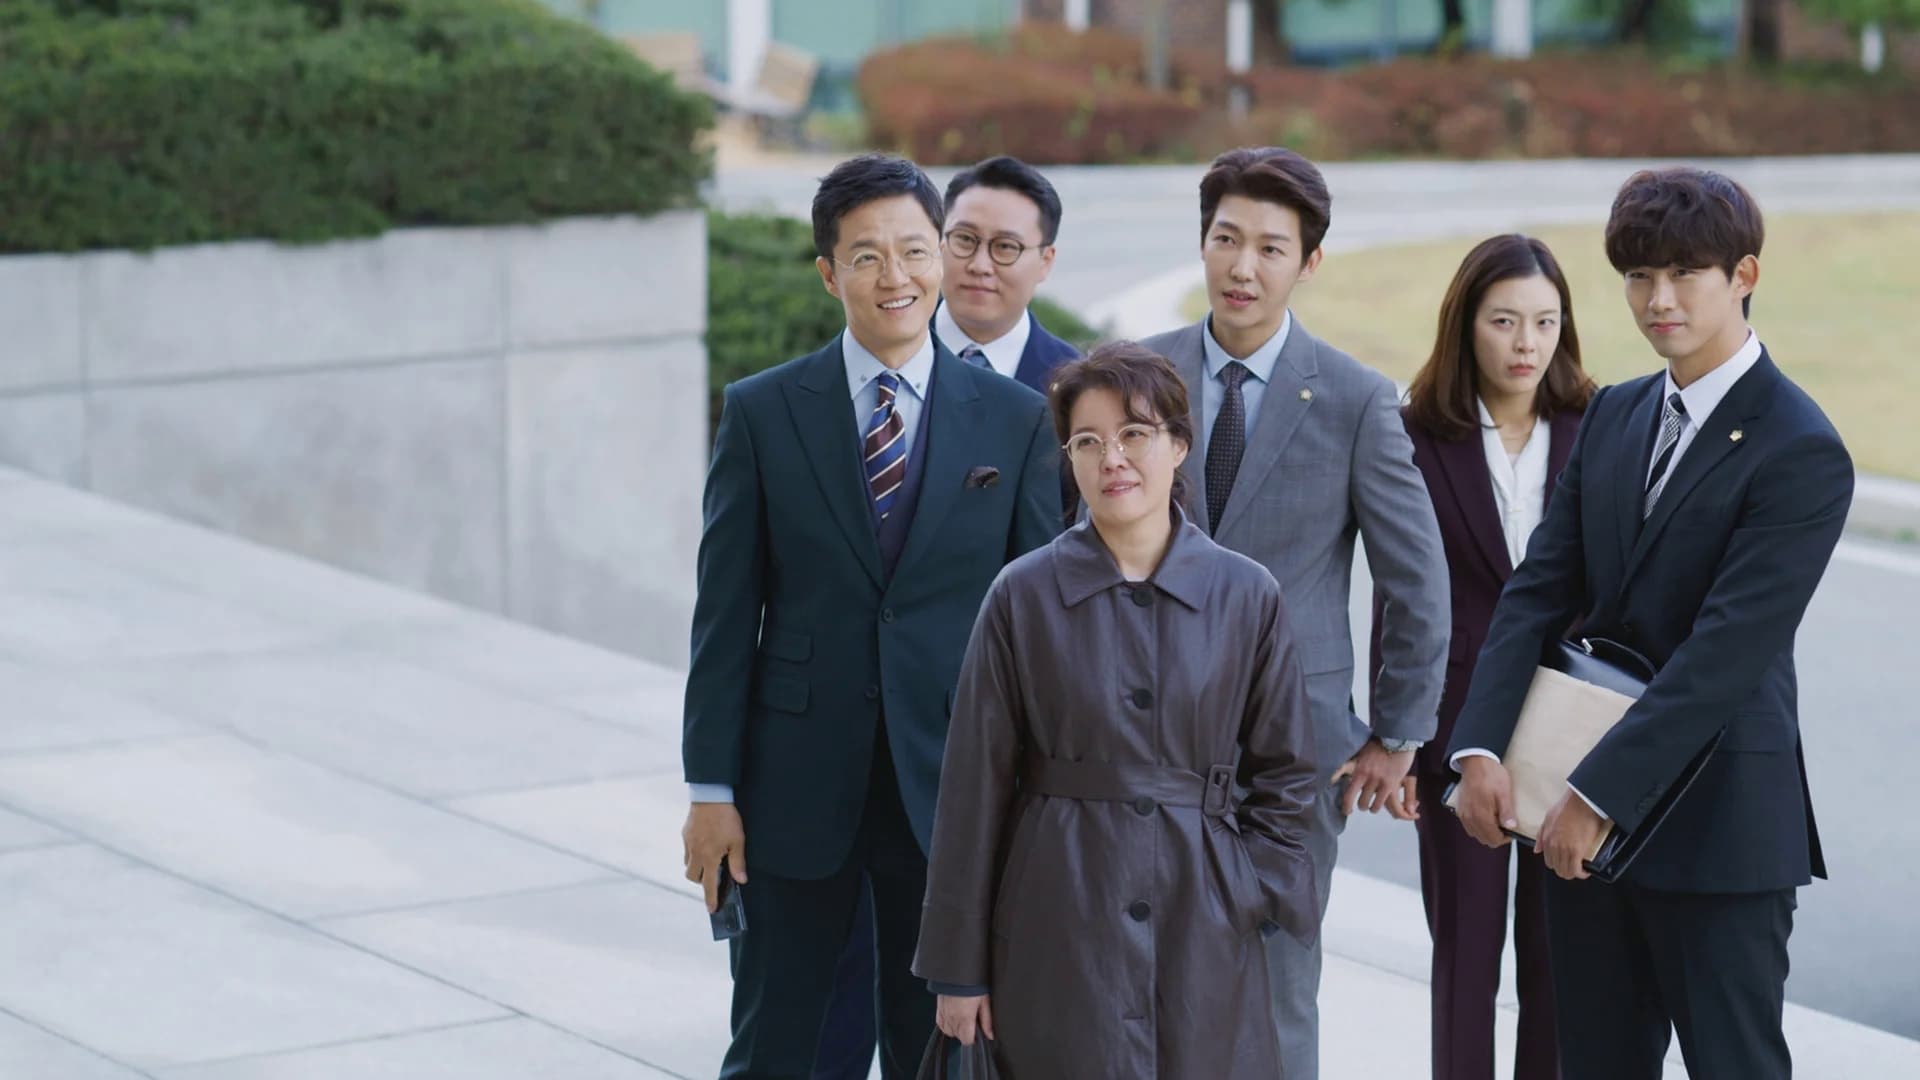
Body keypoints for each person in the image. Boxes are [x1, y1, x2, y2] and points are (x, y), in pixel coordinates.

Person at [1448, 168, 1852, 1080]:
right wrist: (1480, 744)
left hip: (1717, 837)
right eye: (1638, 276)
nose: (1657, 300)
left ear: (1744, 275)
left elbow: (1724, 657)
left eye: (1683, 274)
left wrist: (1597, 798)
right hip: (1574, 830)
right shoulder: (1616, 411)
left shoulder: (1802, 447)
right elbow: (1538, 589)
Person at [679, 152, 1063, 1080]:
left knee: (941, 1051)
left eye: (915, 251)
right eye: (866, 257)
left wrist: (1036, 797)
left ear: (939, 255)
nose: (897, 277)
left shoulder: (1016, 419)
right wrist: (710, 791)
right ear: (828, 272)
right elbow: (724, 619)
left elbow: (1036, 633)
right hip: (792, 790)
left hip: (952, 789)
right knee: (778, 1045)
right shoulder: (764, 412)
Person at [913, 341, 1320, 1078]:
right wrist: (958, 970)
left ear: (1179, 445)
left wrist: (1248, 886)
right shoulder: (1022, 595)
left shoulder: (1245, 594)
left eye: (1134, 433)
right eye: (1088, 442)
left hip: (1204, 914)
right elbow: (972, 788)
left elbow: (1287, 773)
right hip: (1054, 913)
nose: (1113, 459)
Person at [1139, 146, 1449, 1077]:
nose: (1243, 267)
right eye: (1226, 239)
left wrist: (1397, 735)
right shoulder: (1137, 377)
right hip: (1140, 735)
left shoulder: (1356, 399)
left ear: (1308, 262)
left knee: (1275, 989)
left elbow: (1416, 580)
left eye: (1271, 248)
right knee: (1138, 981)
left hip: (1293, 751)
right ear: (1202, 242)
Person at [813, 154, 1088, 1080]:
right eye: (962, 239)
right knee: (823, 1016)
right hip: (828, 772)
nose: (976, 263)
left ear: (1045, 261)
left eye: (1004, 247)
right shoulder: (846, 371)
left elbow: (1055, 608)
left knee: (946, 1035)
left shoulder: (1072, 395)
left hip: (963, 767)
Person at [1371, 234, 1595, 1080]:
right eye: (1504, 321)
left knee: (1558, 963)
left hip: (1570, 732)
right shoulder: (1413, 435)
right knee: (1464, 959)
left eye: (1544, 321)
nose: (1525, 343)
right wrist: (1399, 734)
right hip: (1456, 729)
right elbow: (1398, 593)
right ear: (1466, 324)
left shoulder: (1597, 427)